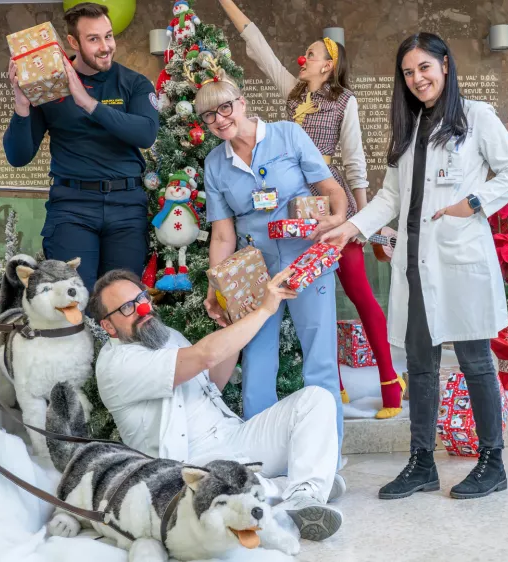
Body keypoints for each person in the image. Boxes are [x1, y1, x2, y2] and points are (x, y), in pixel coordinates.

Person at [322, 32, 508, 500]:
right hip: (414, 264)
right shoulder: (410, 128)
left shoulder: (477, 117)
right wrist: (352, 228)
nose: (417, 79)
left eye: (424, 68)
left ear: (445, 65)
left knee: (476, 362)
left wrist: (472, 203)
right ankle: (421, 464)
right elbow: (391, 197)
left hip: (460, 259)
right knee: (419, 365)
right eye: (409, 72)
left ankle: (492, 463)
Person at [218, 0, 405, 419]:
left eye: (313, 54)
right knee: (313, 303)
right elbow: (259, 47)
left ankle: (391, 382)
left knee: (358, 292)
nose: (303, 58)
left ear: (328, 65)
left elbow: (355, 163)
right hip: (289, 215)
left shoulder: (345, 101)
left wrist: (361, 223)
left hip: (329, 206)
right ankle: (332, 390)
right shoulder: (293, 92)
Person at [90, 269, 344, 541]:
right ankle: (299, 484)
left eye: (142, 297)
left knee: (315, 399)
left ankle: (301, 497)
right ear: (108, 326)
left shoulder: (166, 336)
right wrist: (264, 311)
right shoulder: (116, 365)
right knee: (224, 485)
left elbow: (212, 381)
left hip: (235, 437)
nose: (142, 307)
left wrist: (236, 323)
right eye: (127, 307)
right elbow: (206, 356)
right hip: (190, 465)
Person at [194, 71, 350, 450]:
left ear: (242, 103)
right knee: (258, 364)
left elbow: (330, 189)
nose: (220, 119)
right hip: (254, 271)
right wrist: (218, 287)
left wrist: (338, 217)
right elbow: (222, 235)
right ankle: (258, 457)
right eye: (209, 116)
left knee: (320, 360)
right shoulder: (215, 164)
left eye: (225, 107)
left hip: (306, 260)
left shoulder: (287, 134)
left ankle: (325, 451)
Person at [3, 2, 158, 289]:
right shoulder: (50, 87)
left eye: (108, 36)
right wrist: (22, 106)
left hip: (126, 207)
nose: (106, 46)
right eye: (94, 39)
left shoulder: (134, 83)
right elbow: (18, 156)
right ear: (73, 42)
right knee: (73, 299)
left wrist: (87, 103)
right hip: (72, 208)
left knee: (122, 301)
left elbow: (146, 133)